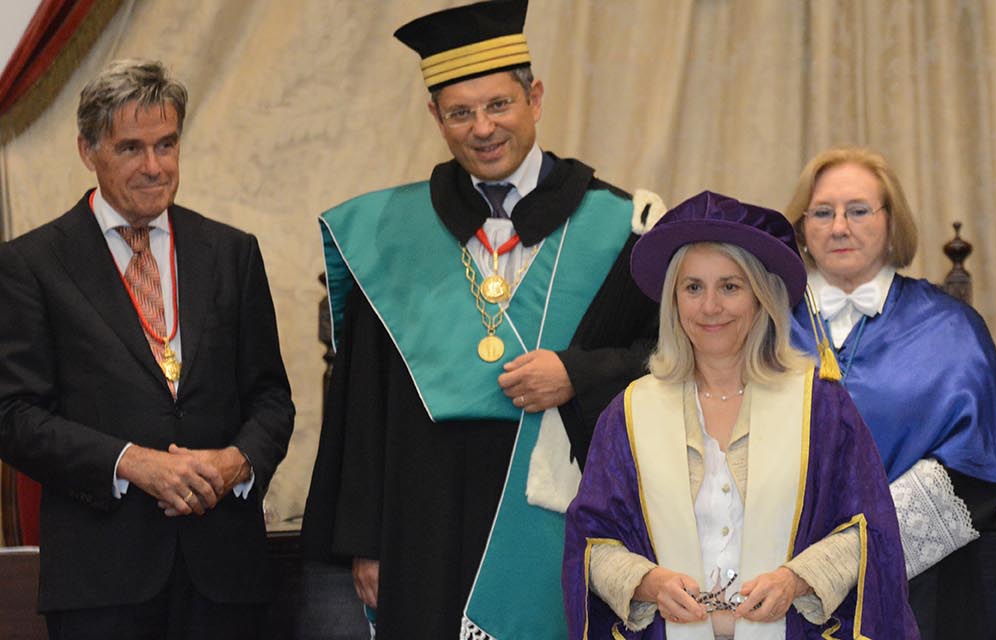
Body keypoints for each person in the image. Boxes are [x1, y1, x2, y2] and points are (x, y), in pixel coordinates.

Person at [300, 1, 663, 638]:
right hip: (420, 513)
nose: (483, 128)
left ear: (536, 99)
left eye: (499, 105)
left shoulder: (622, 226)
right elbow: (362, 397)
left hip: (555, 508)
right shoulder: (391, 234)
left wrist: (577, 373)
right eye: (460, 113)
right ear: (435, 117)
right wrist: (367, 540)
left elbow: (665, 361)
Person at [0, 59, 295, 639]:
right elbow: (13, 417)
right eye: (131, 148)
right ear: (88, 150)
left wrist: (236, 462)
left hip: (224, 576)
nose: (155, 167)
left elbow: (271, 399)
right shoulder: (31, 265)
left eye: (167, 144)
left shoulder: (232, 253)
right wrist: (131, 462)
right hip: (101, 581)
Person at [564, 190, 919, 639]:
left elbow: (867, 534)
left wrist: (797, 579)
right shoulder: (631, 413)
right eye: (693, 288)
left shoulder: (821, 408)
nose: (710, 307)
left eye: (730, 287)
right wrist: (646, 582)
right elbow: (592, 546)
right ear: (673, 301)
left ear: (761, 298)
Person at [781, 147, 996, 637]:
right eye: (822, 212)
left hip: (922, 596)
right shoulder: (763, 328)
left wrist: (856, 552)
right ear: (801, 228)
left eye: (858, 210)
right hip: (781, 595)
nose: (840, 227)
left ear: (891, 223)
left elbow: (979, 472)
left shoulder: (950, 328)